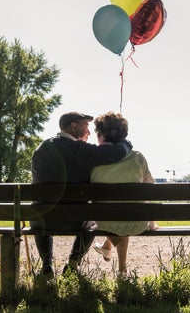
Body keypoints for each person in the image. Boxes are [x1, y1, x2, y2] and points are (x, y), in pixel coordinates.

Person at [31, 111, 132, 278]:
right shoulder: (80, 150)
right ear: (73, 126)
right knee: (93, 223)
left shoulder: (41, 149)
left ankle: (47, 264)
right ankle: (73, 263)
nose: (89, 132)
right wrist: (125, 142)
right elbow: (118, 152)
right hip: (75, 220)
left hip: (42, 220)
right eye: (86, 126)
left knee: (42, 215)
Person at [90, 112, 159, 275]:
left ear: (101, 136)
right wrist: (151, 222)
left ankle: (111, 253)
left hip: (104, 221)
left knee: (116, 213)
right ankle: (121, 270)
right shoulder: (137, 157)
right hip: (136, 222)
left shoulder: (92, 158)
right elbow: (150, 187)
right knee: (126, 210)